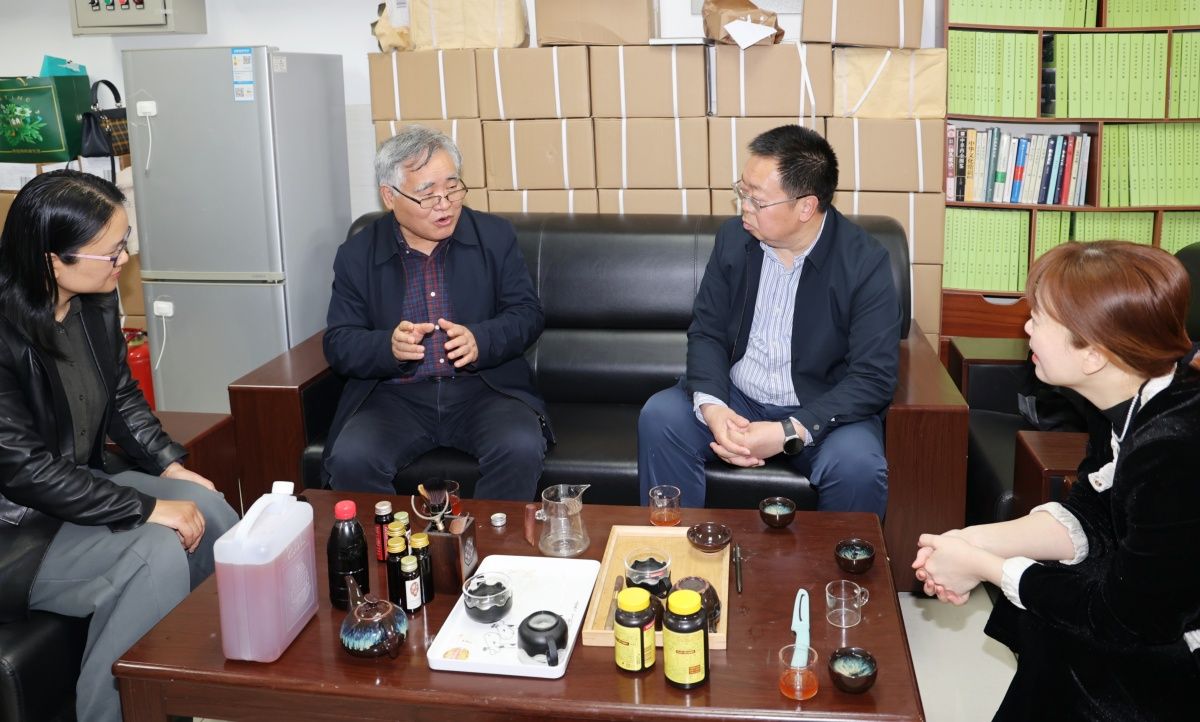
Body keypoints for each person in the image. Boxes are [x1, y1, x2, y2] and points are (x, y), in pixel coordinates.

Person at [912, 241, 1200, 720]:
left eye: (1039, 318)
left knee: (1060, 628)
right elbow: (1093, 514)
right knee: (1046, 614)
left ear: (1093, 354)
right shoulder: (1124, 398)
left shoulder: (1175, 449)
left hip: (1178, 649)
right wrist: (968, 541)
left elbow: (1129, 619)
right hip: (1150, 607)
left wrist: (986, 567)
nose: (1026, 327)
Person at [0, 170, 239, 722]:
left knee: (211, 510)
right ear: (52, 260)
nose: (124, 261)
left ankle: (200, 688)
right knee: (152, 552)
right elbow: (23, 470)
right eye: (111, 252)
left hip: (79, 488)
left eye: (125, 242)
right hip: (19, 526)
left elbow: (121, 396)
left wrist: (168, 465)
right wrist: (146, 507)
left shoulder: (94, 300)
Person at [637, 124, 900, 515]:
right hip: (738, 397)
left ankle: (842, 560)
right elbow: (707, 332)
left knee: (858, 467)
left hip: (821, 407)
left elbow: (873, 377)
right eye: (742, 191)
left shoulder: (864, 263)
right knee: (661, 417)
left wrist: (788, 431)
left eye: (756, 200)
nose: (744, 206)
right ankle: (672, 548)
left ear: (805, 207)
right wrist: (715, 410)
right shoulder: (734, 240)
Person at [322, 125, 550, 500]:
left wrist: (481, 339)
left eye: (452, 187)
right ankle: (399, 540)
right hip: (393, 398)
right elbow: (339, 342)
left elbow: (527, 314)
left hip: (484, 391)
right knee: (351, 458)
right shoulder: (357, 254)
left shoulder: (494, 237)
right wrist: (387, 347)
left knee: (520, 446)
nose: (444, 204)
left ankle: (488, 539)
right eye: (427, 195)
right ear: (389, 196)